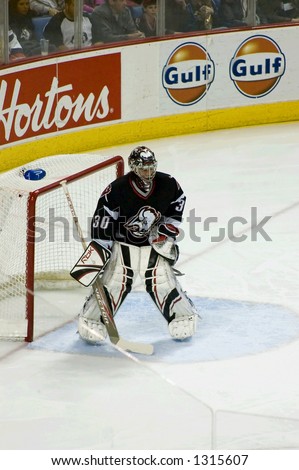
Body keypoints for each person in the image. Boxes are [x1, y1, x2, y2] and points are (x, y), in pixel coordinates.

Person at [78, 146, 199, 344]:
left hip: (153, 243)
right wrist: (101, 251)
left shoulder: (168, 183)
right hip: (123, 243)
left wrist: (165, 232)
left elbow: (177, 204)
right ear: (133, 168)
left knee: (161, 279)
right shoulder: (117, 189)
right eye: (144, 169)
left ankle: (182, 315)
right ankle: (92, 318)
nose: (149, 173)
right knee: (116, 280)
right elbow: (103, 219)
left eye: (151, 168)